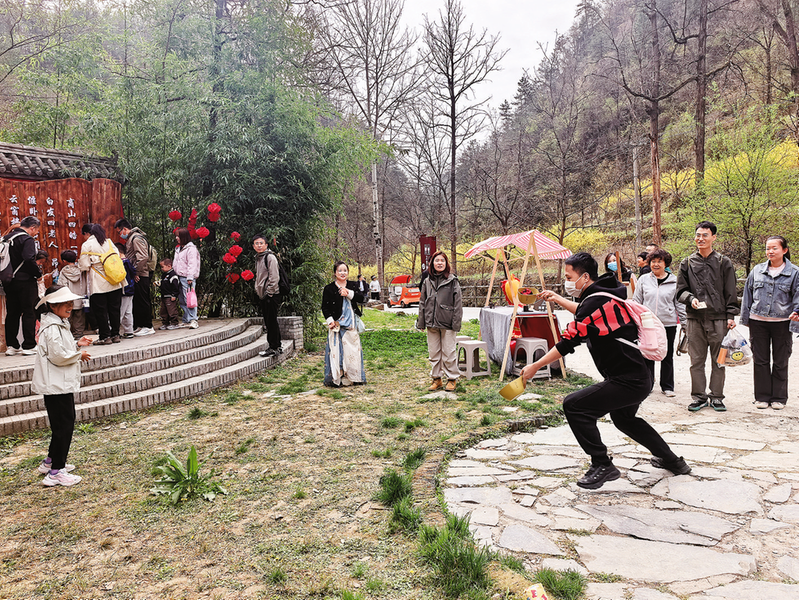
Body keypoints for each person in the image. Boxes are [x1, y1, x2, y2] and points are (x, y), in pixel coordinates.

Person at [520, 252, 690, 489]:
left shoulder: (594, 302)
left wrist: (535, 366)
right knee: (625, 420)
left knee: (574, 406)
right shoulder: (604, 294)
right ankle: (673, 462)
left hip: (628, 380)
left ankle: (602, 464)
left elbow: (568, 342)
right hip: (639, 376)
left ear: (585, 277)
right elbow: (584, 311)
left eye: (569, 277)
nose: (567, 282)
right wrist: (558, 298)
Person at [32, 285, 92, 487]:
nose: (69, 306)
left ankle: (50, 462)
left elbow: (59, 349)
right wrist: (78, 355)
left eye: (70, 302)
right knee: (65, 425)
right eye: (65, 303)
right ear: (52, 305)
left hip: (57, 383)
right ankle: (57, 470)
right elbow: (58, 355)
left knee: (60, 425)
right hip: (57, 385)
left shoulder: (56, 324)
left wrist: (76, 345)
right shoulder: (52, 327)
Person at [676, 221, 739, 412]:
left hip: (719, 319)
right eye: (698, 235)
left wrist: (730, 315)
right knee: (696, 361)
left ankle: (717, 397)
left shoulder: (723, 262)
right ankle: (699, 397)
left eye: (705, 235)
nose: (700, 238)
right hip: (694, 319)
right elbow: (680, 291)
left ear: (714, 237)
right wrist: (690, 299)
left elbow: (730, 291)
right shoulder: (687, 263)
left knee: (719, 361)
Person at [740, 236, 799, 410]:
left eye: (774, 248)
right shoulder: (757, 270)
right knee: (760, 361)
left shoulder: (794, 272)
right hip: (758, 322)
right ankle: (762, 397)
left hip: (782, 322)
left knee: (781, 361)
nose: (770, 251)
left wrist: (797, 312)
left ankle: (779, 398)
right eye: (767, 248)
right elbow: (747, 295)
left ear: (784, 250)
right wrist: (745, 319)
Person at [632, 249, 686, 397]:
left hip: (668, 323)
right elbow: (637, 301)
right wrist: (635, 321)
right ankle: (647, 385)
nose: (655, 264)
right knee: (647, 354)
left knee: (667, 355)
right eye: (653, 261)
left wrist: (685, 323)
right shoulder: (644, 279)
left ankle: (667, 386)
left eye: (659, 262)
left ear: (665, 264)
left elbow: (679, 304)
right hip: (647, 324)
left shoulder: (675, 281)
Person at [416, 251, 463, 392]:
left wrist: (456, 323)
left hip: (448, 322)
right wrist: (421, 322)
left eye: (442, 260)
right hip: (431, 322)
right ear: (432, 263)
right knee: (434, 353)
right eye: (437, 260)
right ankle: (437, 379)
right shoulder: (427, 281)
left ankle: (452, 379)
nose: (440, 263)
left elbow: (458, 303)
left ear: (446, 263)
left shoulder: (453, 280)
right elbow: (422, 302)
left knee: (448, 353)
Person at [322, 261, 367, 386]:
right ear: (335, 273)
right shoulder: (329, 288)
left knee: (353, 351)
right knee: (336, 351)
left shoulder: (353, 285)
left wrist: (349, 293)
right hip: (336, 325)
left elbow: (362, 298)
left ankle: (354, 377)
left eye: (345, 270)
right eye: (340, 270)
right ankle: (336, 378)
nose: (343, 273)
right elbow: (325, 307)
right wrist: (330, 321)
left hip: (351, 324)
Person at [78, 224, 124, 345]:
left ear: (88, 234)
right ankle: (115, 334)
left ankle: (105, 336)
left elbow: (85, 265)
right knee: (115, 309)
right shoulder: (109, 242)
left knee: (100, 311)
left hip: (98, 283)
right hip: (114, 280)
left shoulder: (87, 245)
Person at [4, 216, 42, 356]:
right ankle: (29, 345)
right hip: (25, 280)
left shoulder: (6, 238)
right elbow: (28, 258)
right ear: (32, 228)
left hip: (8, 280)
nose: (36, 233)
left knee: (12, 313)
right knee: (29, 312)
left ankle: (12, 346)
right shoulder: (27, 239)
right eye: (36, 230)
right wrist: (38, 274)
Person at [115, 219, 155, 336]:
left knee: (143, 300)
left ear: (125, 229)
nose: (120, 235)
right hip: (138, 274)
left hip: (142, 274)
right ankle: (141, 325)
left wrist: (136, 272)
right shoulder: (131, 238)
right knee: (137, 301)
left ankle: (148, 326)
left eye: (119, 232)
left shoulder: (136, 238)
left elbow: (142, 257)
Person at [253, 235, 282, 356]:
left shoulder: (269, 257)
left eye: (261, 243)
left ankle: (274, 347)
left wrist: (269, 293)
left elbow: (274, 277)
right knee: (270, 321)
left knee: (271, 322)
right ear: (253, 246)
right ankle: (276, 346)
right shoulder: (259, 258)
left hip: (271, 295)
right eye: (256, 243)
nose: (259, 245)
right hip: (264, 295)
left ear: (266, 245)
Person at [173, 227, 200, 329]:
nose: (176, 238)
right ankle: (186, 319)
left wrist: (190, 277)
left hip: (187, 277)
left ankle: (193, 320)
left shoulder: (191, 249)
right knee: (182, 299)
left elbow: (192, 264)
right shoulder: (178, 248)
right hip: (178, 276)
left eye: (178, 236)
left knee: (189, 299)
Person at [57, 250, 87, 340]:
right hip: (81, 298)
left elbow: (61, 285)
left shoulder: (64, 271)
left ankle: (68, 336)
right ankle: (78, 335)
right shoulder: (81, 270)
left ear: (64, 261)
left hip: (68, 298)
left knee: (67, 318)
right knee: (80, 318)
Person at [116, 243, 136, 339]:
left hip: (124, 289)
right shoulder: (128, 262)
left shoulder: (122, 263)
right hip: (130, 289)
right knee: (128, 311)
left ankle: (114, 331)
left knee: (120, 311)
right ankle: (129, 331)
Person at [158, 258, 181, 330]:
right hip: (164, 296)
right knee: (163, 311)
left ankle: (174, 323)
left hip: (170, 296)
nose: (161, 269)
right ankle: (165, 323)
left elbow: (175, 286)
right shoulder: (164, 275)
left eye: (162, 267)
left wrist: (174, 295)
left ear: (169, 266)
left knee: (171, 310)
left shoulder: (173, 275)